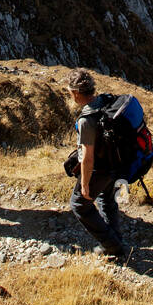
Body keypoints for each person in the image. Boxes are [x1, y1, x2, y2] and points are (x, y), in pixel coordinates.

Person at [66, 68, 126, 258]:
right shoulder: (106, 101)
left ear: (76, 93)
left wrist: (84, 184)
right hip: (116, 164)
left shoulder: (86, 120)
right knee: (107, 200)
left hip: (100, 168)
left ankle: (112, 246)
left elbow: (87, 157)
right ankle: (115, 239)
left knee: (79, 205)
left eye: (69, 91)